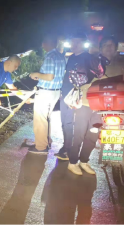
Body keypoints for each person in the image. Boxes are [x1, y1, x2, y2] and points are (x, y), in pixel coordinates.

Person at [60, 32, 105, 175]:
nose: (74, 45)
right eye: (73, 42)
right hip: (83, 102)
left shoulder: (94, 59)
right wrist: (68, 96)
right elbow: (72, 80)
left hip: (98, 104)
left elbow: (100, 75)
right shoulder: (73, 57)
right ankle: (73, 162)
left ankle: (84, 161)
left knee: (92, 133)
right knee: (78, 133)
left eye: (78, 42)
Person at [28, 35, 66, 154]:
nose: (42, 45)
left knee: (40, 119)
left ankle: (40, 147)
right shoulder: (60, 56)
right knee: (46, 118)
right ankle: (46, 141)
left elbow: (49, 77)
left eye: (43, 42)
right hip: (55, 91)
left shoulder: (50, 56)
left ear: (47, 43)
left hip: (46, 92)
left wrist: (36, 74)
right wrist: (40, 76)